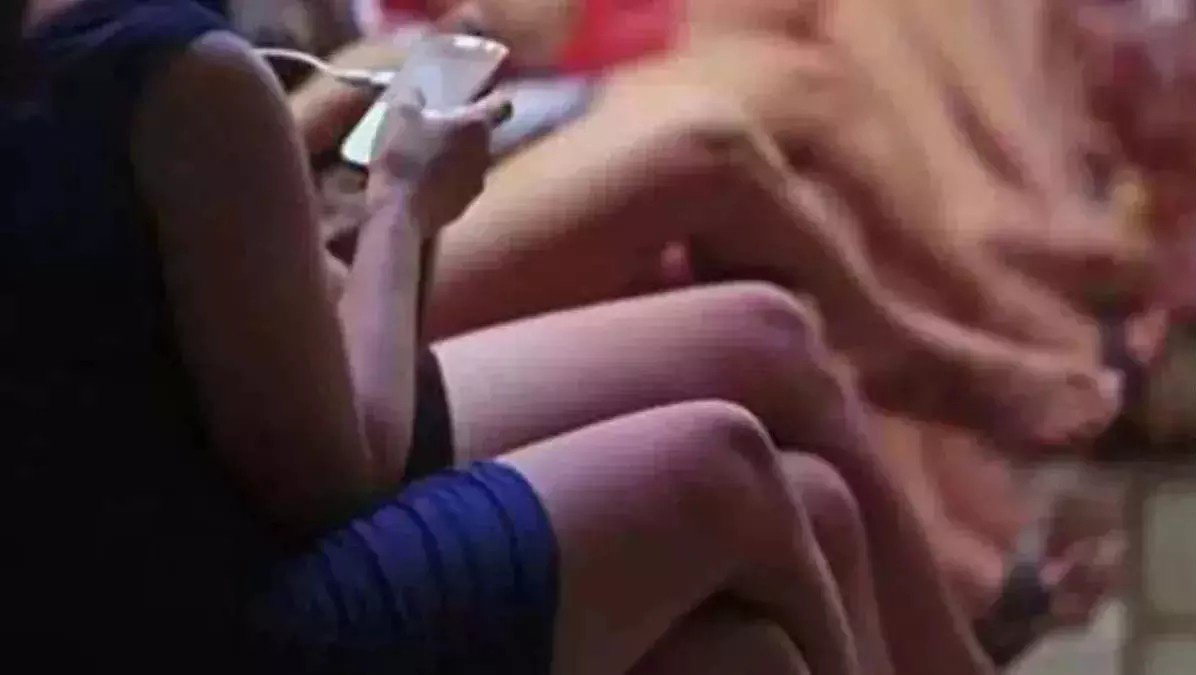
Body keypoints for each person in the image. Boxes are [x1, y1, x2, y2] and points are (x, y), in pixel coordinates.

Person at [4, 0, 991, 672]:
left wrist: (334, 227)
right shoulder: (167, 66)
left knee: (782, 460)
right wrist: (404, 208)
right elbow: (336, 477)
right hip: (186, 597)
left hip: (155, 502)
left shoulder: (84, 49)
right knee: (726, 465)